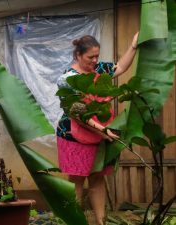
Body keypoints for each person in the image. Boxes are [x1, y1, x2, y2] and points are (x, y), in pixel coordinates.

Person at [56, 33, 138, 225]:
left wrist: (133, 46)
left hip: (101, 134)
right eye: (90, 57)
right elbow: (77, 113)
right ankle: (74, 221)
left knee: (97, 178)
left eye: (96, 56)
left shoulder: (99, 69)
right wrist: (102, 130)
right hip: (73, 135)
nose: (94, 61)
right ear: (78, 55)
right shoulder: (67, 79)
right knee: (76, 180)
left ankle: (101, 222)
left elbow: (120, 67)